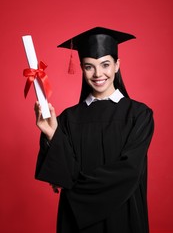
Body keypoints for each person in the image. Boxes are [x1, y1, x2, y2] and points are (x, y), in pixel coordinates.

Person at [34, 26, 154, 233]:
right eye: (89, 66)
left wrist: (75, 189)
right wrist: (52, 134)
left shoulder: (139, 115)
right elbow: (62, 176)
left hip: (124, 217)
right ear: (81, 68)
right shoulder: (67, 119)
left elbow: (130, 170)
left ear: (117, 65)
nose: (98, 74)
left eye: (105, 64)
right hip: (76, 223)